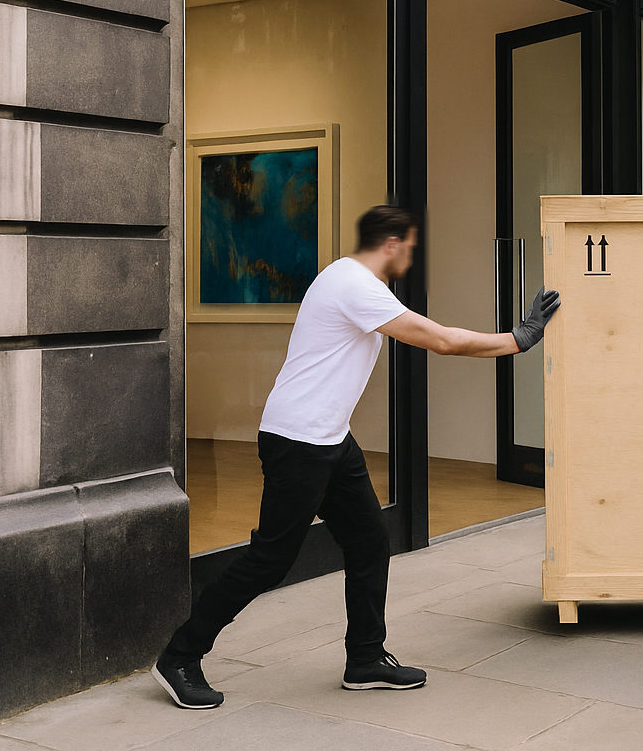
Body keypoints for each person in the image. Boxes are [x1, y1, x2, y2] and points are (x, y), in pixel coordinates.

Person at [153, 205, 560, 709]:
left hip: (330, 439)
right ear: (391, 243)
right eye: (409, 245)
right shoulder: (354, 285)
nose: (412, 253)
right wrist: (519, 339)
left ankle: (365, 659)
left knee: (369, 541)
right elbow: (440, 341)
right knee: (269, 560)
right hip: (298, 440)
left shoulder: (352, 281)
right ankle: (179, 655)